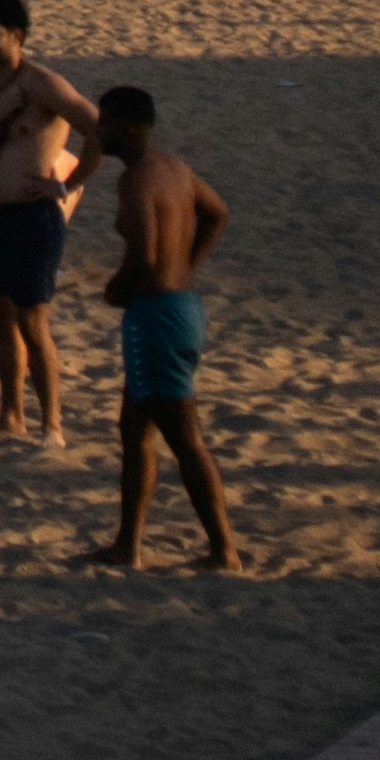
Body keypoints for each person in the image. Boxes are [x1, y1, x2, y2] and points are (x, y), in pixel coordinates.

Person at [92, 90, 238, 573]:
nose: (99, 131)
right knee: (134, 429)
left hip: (156, 313)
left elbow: (146, 256)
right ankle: (127, 545)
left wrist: (117, 289)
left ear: (132, 129)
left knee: (183, 434)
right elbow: (216, 213)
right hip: (182, 306)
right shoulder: (174, 168)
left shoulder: (136, 182)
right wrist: (188, 269)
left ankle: (224, 550)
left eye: (107, 123)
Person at [0, 0, 101, 445]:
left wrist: (69, 185)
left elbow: (98, 126)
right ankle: (11, 414)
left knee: (32, 320)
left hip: (36, 217)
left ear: (17, 37)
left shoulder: (43, 85)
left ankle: (51, 424)